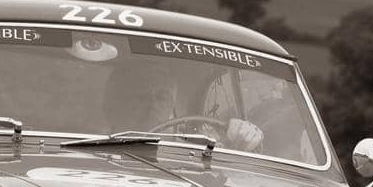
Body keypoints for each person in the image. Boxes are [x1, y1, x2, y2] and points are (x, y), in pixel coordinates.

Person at [101, 57, 264, 151]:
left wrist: (244, 139)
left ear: (173, 109)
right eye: (139, 96)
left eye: (161, 97)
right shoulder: (89, 146)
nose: (151, 104)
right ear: (112, 105)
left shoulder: (197, 152)